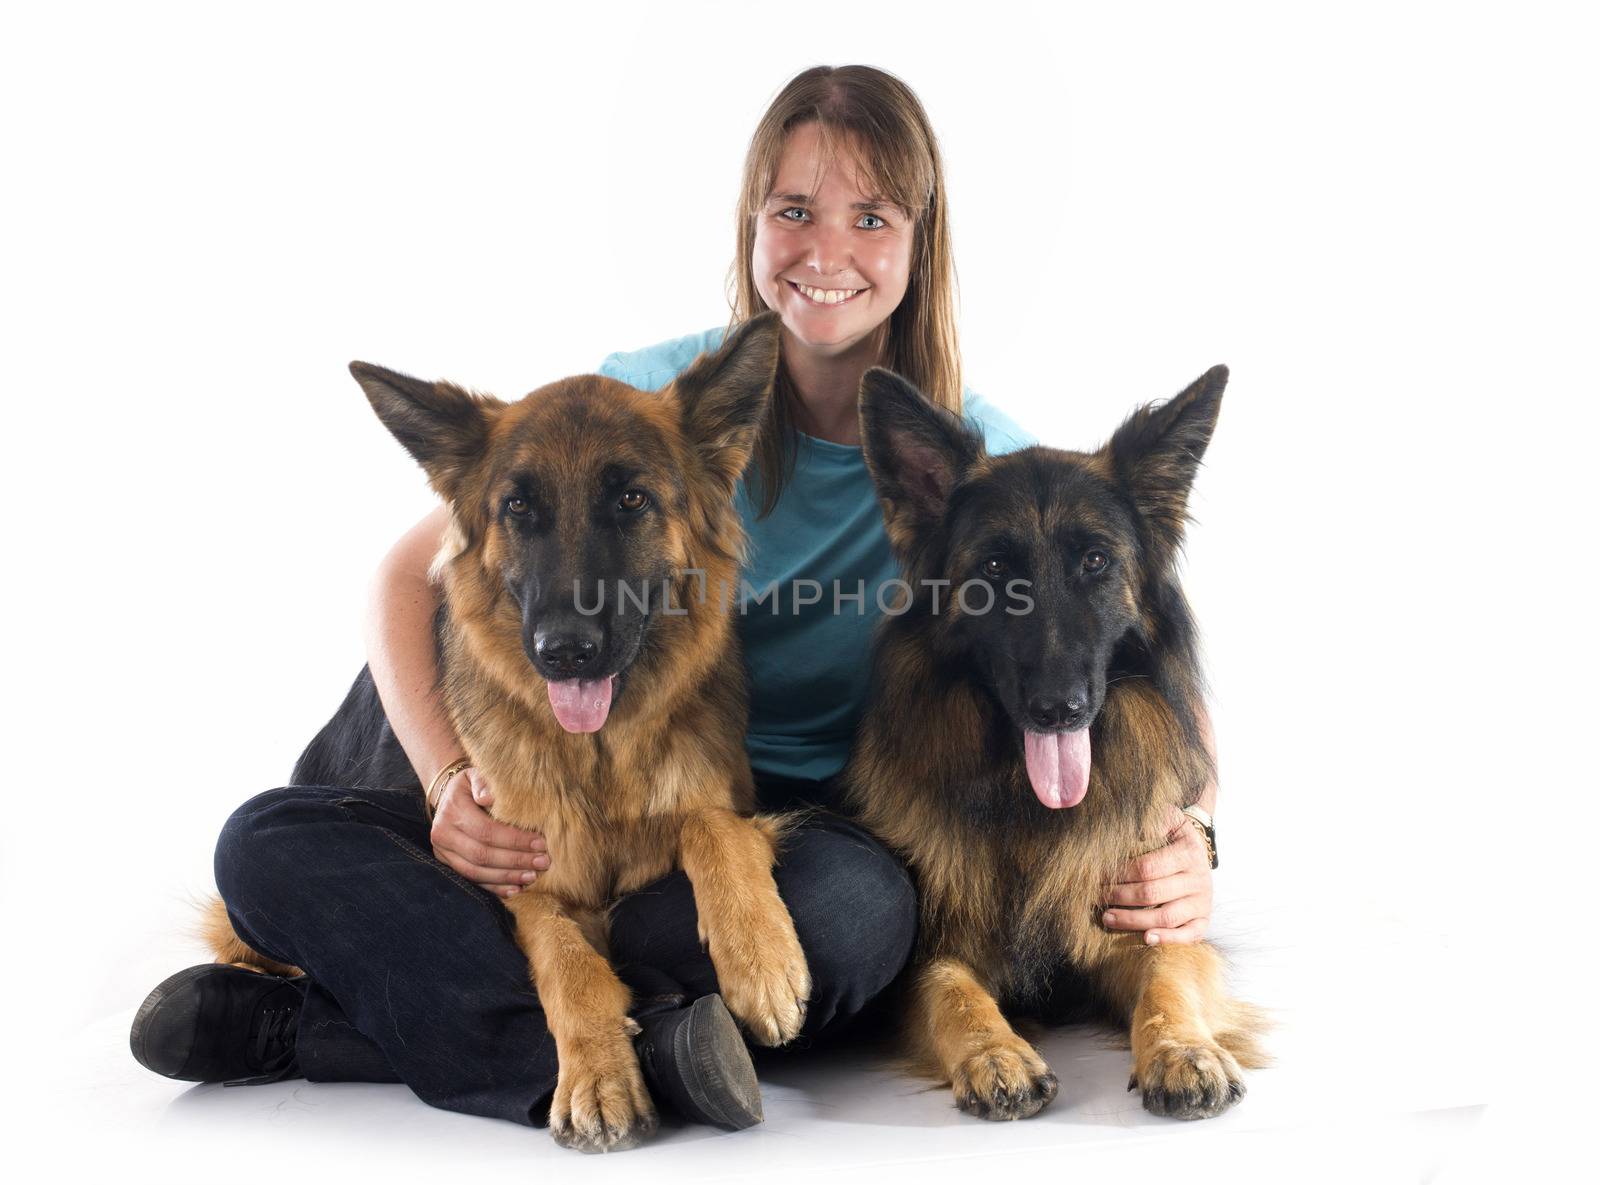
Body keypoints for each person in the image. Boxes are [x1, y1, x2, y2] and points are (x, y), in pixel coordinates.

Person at [130, 64, 1219, 1133]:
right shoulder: (653, 401)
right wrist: (449, 782)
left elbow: (1142, 634)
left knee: (862, 919)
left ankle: (331, 1027)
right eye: (793, 210)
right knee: (260, 844)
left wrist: (1195, 838)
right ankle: (645, 1052)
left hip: (783, 834)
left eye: (871, 217)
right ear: (751, 226)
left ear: (919, 241)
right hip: (544, 797)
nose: (827, 251)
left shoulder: (972, 472)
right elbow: (404, 574)